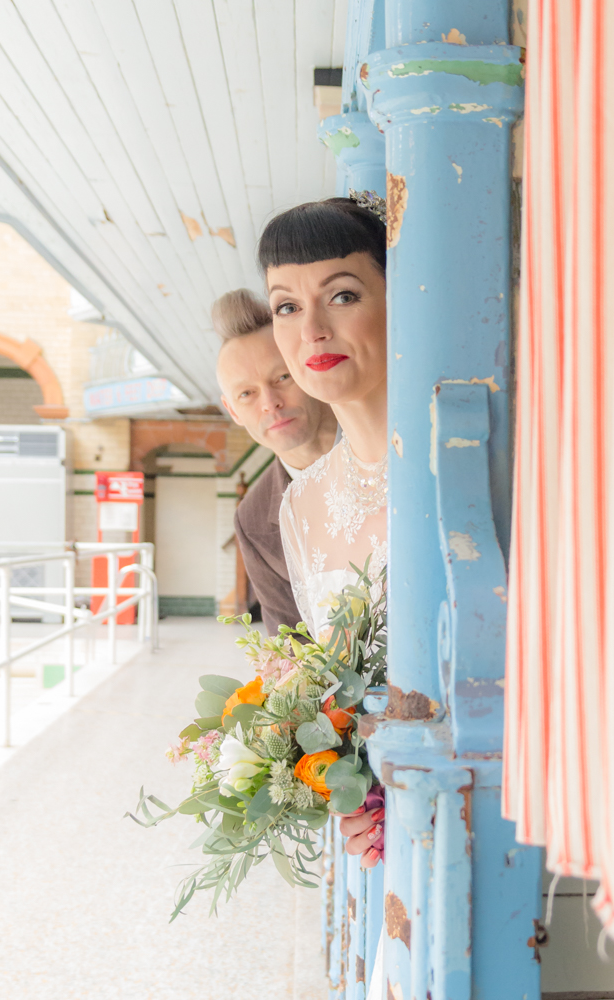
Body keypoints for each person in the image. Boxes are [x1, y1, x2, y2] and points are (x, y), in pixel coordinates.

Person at [259, 198, 388, 872]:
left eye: (341, 294)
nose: (311, 329)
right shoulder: (300, 506)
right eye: (285, 305)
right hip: (379, 840)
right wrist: (351, 789)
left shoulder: (469, 458)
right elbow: (331, 688)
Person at [214, 289, 338, 636]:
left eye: (281, 378)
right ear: (233, 410)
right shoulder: (252, 519)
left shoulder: (392, 441)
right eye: (247, 394)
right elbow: (291, 647)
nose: (270, 403)